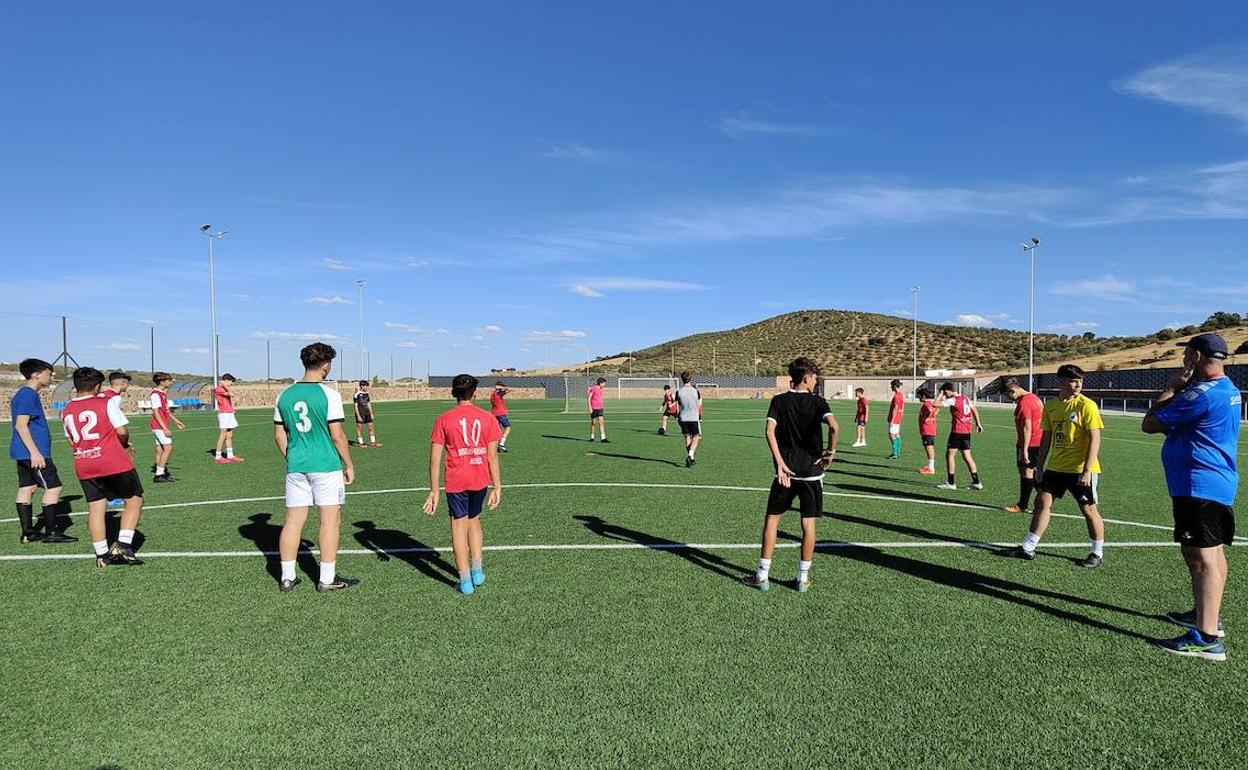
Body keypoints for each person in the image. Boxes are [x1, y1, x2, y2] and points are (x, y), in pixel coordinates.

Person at [1143, 333, 1241, 661]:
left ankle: (1208, 637)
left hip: (1198, 485)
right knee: (1206, 555)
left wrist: (1171, 387)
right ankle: (1207, 616)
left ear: (1196, 356)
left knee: (1203, 559)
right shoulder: (1228, 389)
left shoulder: (1200, 394)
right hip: (1209, 484)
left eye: (1187, 353)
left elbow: (1150, 422)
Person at [742, 357, 839, 593]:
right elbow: (834, 427)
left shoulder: (779, 401)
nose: (816, 382)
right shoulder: (818, 402)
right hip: (811, 473)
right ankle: (802, 579)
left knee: (772, 520)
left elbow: (769, 431)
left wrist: (780, 462)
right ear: (806, 378)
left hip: (785, 472)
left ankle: (762, 575)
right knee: (808, 524)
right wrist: (830, 453)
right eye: (815, 378)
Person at [273, 342, 358, 593]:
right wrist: (349, 464)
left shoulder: (284, 395)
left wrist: (294, 457)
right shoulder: (328, 394)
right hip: (326, 466)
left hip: (296, 466)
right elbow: (337, 435)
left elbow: (279, 436)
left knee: (293, 521)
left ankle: (287, 577)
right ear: (326, 364)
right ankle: (327, 579)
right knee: (330, 521)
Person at [1009, 364, 1105, 568]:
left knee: (1088, 510)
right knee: (1041, 502)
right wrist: (1040, 466)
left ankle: (1097, 552)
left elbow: (1095, 438)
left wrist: (1087, 470)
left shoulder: (1087, 405)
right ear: (1060, 381)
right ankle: (1028, 546)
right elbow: (1046, 438)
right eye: (1072, 380)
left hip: (1081, 469)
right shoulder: (1051, 406)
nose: (1078, 384)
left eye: (1080, 380)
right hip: (1056, 467)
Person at [422, 374, 503, 595]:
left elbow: (434, 459)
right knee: (474, 520)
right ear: (475, 393)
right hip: (479, 478)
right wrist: (497, 486)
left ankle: (465, 581)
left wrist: (433, 490)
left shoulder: (443, 419)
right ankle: (477, 572)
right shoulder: (488, 418)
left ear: (453, 393)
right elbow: (492, 456)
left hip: (456, 480)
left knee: (459, 527)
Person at [61, 367, 144, 567]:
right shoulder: (105, 402)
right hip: (112, 460)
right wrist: (123, 445)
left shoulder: (66, 409)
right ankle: (123, 545)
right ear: (98, 386)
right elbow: (122, 431)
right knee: (134, 500)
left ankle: (101, 555)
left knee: (96, 508)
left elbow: (71, 441)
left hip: (84, 463)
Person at [10, 358, 73, 543]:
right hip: (33, 452)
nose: (51, 375)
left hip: (23, 452)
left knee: (27, 487)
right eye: (49, 372)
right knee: (54, 487)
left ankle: (28, 533)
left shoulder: (24, 393)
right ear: (36, 374)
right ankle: (52, 532)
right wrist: (35, 452)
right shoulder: (27, 394)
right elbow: (21, 425)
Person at [1002, 378, 1044, 513]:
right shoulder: (1035, 398)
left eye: (1007, 395)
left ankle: (1023, 505)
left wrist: (1024, 449)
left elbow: (1027, 427)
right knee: (1031, 472)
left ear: (1012, 390)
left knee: (1027, 472)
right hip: (1038, 442)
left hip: (1029, 443)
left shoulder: (1024, 402)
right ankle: (1043, 502)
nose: (1008, 399)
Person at [935, 382, 983, 491]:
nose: (945, 395)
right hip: (966, 432)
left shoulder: (952, 400)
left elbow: (935, 404)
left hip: (957, 432)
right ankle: (976, 482)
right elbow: (974, 409)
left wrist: (940, 394)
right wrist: (978, 423)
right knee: (967, 456)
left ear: (947, 391)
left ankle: (951, 483)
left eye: (944, 393)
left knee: (950, 455)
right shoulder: (965, 398)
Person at [101, 371, 133, 506]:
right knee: (120, 463)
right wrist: (122, 442)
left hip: (99, 437)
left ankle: (110, 493)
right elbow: (115, 423)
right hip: (109, 437)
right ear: (122, 383)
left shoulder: (102, 395)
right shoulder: (114, 398)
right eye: (127, 383)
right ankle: (112, 494)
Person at [148, 372, 184, 482]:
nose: (170, 382)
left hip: (160, 425)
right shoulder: (155, 395)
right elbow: (156, 412)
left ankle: (161, 473)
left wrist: (177, 421)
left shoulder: (162, 394)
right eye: (168, 380)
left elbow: (166, 411)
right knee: (168, 448)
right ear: (162, 382)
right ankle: (159, 474)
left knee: (160, 449)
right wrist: (165, 428)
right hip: (158, 426)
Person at [213, 373, 244, 464]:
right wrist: (223, 385)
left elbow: (230, 397)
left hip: (229, 413)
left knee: (230, 435)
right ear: (226, 380)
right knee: (223, 435)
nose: (231, 384)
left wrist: (233, 409)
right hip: (224, 414)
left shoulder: (224, 388)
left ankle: (230, 455)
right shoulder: (218, 389)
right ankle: (218, 457)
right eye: (230, 382)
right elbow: (231, 394)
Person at [675, 372, 703, 468]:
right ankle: (690, 455)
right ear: (691, 379)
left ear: (682, 380)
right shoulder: (696, 391)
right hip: (693, 417)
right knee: (695, 437)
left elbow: (677, 406)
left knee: (687, 438)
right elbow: (699, 405)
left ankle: (691, 458)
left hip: (683, 417)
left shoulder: (678, 392)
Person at [916, 387, 938, 475]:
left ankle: (931, 468)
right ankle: (929, 465)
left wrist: (927, 417)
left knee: (929, 447)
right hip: (930, 429)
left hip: (927, 429)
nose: (918, 398)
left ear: (923, 396)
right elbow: (936, 410)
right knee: (928, 447)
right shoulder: (931, 403)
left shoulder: (926, 404)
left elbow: (930, 410)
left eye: (919, 396)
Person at [353, 380, 381, 447]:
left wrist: (371, 413)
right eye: (365, 385)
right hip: (360, 412)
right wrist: (358, 415)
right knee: (359, 428)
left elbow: (368, 404)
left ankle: (373, 442)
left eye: (367, 385)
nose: (366, 387)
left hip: (367, 412)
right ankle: (361, 443)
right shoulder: (356, 394)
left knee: (371, 427)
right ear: (361, 386)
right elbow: (355, 406)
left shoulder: (367, 394)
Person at [885, 379, 905, 460]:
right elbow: (902, 406)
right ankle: (897, 452)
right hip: (898, 417)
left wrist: (892, 420)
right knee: (896, 434)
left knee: (891, 435)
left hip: (895, 418)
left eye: (891, 386)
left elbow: (895, 408)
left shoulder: (896, 396)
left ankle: (895, 453)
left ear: (894, 386)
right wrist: (901, 415)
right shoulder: (901, 394)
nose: (890, 387)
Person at [490, 381, 511, 452]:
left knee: (498, 430)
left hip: (494, 414)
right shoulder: (498, 394)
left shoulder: (492, 394)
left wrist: (499, 388)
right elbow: (508, 390)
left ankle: (497, 446)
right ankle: (502, 443)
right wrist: (501, 388)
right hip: (501, 413)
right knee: (508, 428)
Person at [587, 377, 608, 443]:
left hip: (600, 408)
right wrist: (590, 408)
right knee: (594, 423)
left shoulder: (602, 389)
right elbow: (589, 398)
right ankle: (592, 437)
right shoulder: (593, 388)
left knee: (601, 422)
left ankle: (603, 438)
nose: (605, 384)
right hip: (594, 408)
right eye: (604, 383)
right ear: (600, 383)